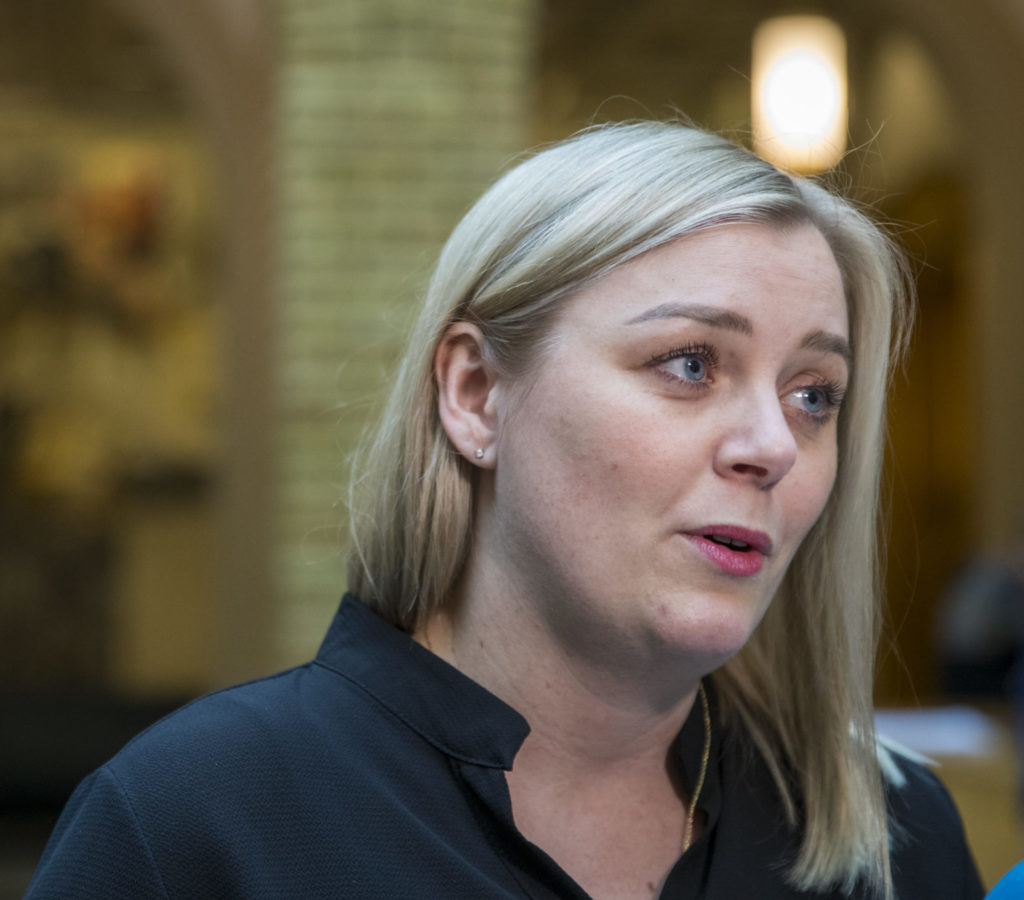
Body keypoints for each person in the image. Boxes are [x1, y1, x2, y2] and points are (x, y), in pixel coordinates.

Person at [26, 121, 984, 899]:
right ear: (477, 394)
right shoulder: (195, 825)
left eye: (814, 395)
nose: (773, 445)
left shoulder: (895, 841)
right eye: (691, 364)